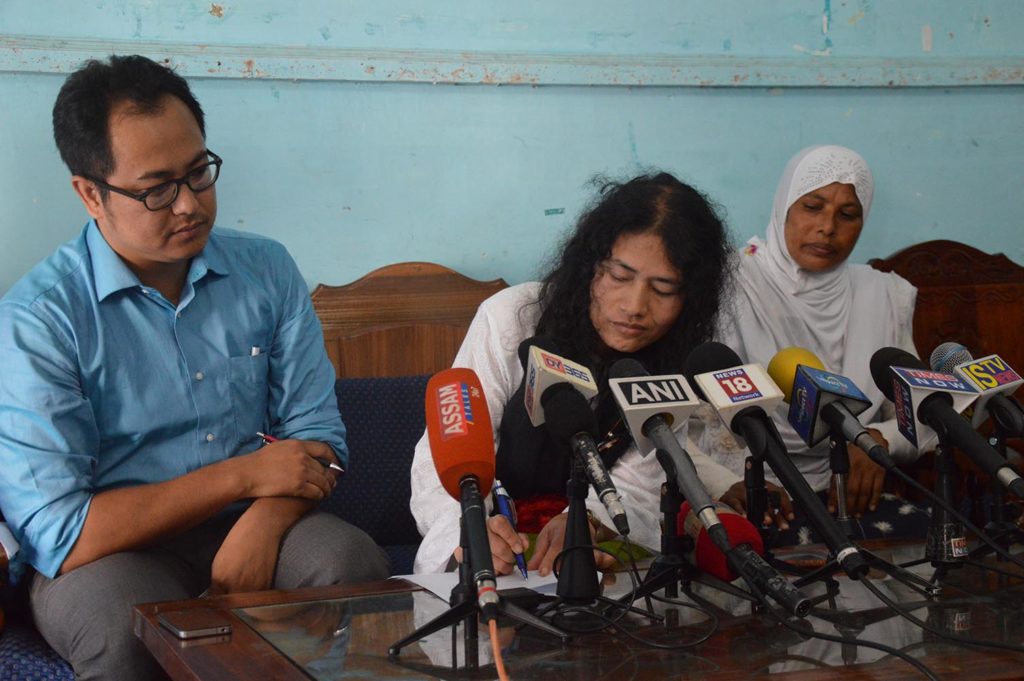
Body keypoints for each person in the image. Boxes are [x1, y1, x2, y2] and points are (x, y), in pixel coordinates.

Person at [0, 55, 388, 680]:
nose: (189, 205)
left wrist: (261, 522)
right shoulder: (38, 320)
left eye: (199, 172)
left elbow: (319, 435)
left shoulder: (266, 270)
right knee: (117, 620)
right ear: (89, 193)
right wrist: (242, 477)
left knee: (347, 560)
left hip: (262, 514)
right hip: (114, 554)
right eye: (156, 188)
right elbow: (63, 531)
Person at [410, 172, 790, 576]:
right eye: (620, 277)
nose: (635, 306)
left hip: (588, 552)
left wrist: (589, 522)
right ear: (589, 265)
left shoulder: (675, 357)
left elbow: (642, 484)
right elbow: (443, 455)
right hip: (486, 540)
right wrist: (468, 530)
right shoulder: (510, 319)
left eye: (663, 289)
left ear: (691, 299)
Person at [710, 144, 930, 544]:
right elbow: (693, 421)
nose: (828, 227)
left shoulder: (883, 295)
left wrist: (879, 440)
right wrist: (728, 482)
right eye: (812, 207)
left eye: (847, 215)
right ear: (784, 208)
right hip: (750, 491)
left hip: (847, 496)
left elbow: (924, 411)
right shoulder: (730, 284)